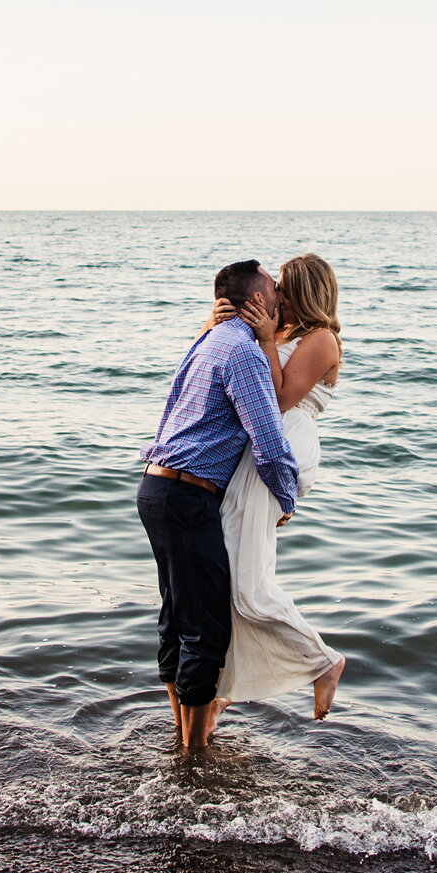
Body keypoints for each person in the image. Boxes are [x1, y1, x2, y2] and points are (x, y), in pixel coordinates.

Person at [137, 260, 299, 750]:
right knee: (206, 628)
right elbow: (268, 439)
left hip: (157, 489)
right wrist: (285, 494)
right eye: (274, 289)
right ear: (256, 301)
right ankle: (193, 754)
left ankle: (183, 737)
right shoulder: (243, 353)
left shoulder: (209, 340)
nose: (280, 297)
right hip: (187, 495)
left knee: (177, 619)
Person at [205, 254, 347, 721]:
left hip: (285, 441)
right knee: (230, 570)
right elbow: (214, 366)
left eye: (284, 286)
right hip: (262, 445)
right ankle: (227, 681)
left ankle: (323, 662)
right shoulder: (281, 332)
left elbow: (280, 396)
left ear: (305, 291)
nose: (276, 294)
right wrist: (214, 325)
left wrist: (265, 338)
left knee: (248, 582)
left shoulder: (322, 339)